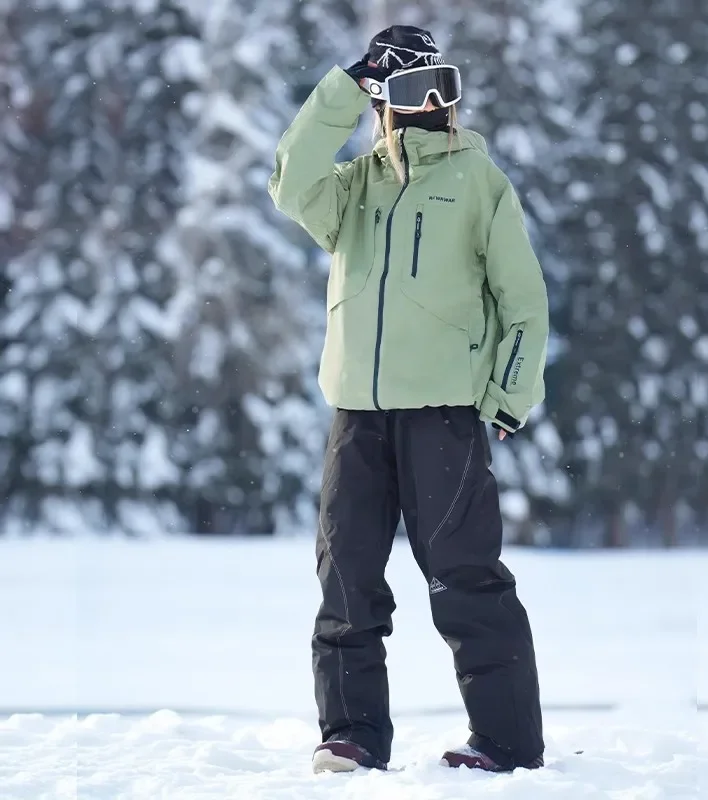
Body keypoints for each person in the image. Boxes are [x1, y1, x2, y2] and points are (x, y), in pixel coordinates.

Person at [269, 24, 549, 775]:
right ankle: (352, 736)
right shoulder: (352, 188)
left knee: (466, 581)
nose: (427, 104)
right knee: (346, 581)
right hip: (356, 417)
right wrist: (345, 84)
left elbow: (524, 304)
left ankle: (506, 743)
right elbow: (290, 180)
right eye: (407, 87)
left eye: (439, 86)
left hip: (445, 416)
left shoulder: (478, 182)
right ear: (381, 99)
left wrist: (507, 396)